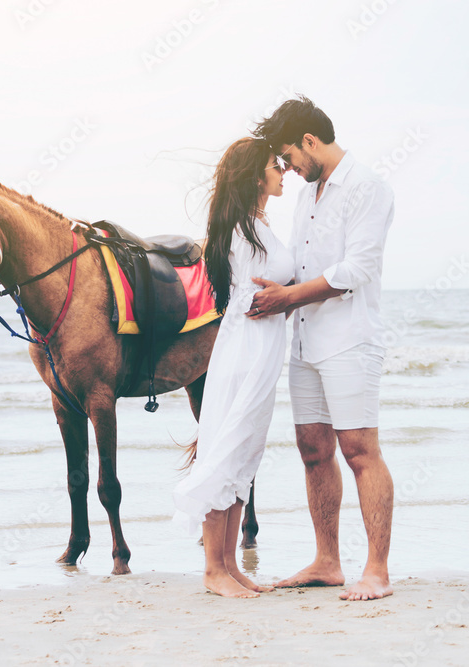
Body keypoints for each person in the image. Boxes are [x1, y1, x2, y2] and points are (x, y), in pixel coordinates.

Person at [248, 96, 395, 601]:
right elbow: (307, 268)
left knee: (359, 451)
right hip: (306, 340)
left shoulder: (367, 186)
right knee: (313, 451)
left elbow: (357, 270)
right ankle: (327, 562)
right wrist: (273, 295)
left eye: (289, 155)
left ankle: (376, 571)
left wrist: (288, 296)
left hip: (350, 340)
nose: (287, 167)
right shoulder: (309, 195)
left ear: (311, 140)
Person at [172, 137, 294, 598]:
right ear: (255, 176)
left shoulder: (255, 224)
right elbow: (250, 293)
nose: (282, 172)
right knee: (227, 450)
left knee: (244, 454)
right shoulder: (243, 228)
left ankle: (229, 565)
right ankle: (213, 570)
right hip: (246, 350)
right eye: (274, 165)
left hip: (259, 350)